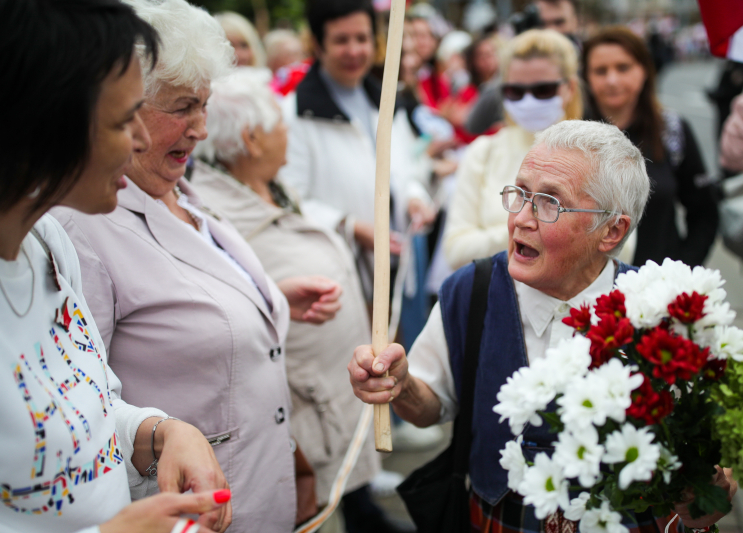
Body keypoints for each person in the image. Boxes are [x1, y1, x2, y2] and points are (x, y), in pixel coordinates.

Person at [348, 119, 737, 532]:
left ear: (612, 230)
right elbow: (432, 407)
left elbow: (710, 438)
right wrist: (401, 384)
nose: (521, 219)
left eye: (550, 202)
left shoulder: (657, 310)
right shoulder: (470, 291)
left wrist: (713, 483)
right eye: (519, 193)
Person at [51, 1, 341, 531]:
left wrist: (267, 296)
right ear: (122, 105)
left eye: (206, 106)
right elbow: (79, 405)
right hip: (187, 515)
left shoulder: (183, 190)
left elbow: (182, 301)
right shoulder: (80, 225)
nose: (202, 129)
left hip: (259, 497)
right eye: (183, 107)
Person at [0, 0, 231, 532]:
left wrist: (161, 433)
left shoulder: (47, 242)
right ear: (39, 121)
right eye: (124, 119)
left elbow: (86, 418)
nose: (143, 139)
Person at [192, 67, 383, 527]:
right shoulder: (213, 212)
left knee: (343, 495)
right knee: (310, 504)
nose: (288, 131)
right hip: (298, 401)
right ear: (251, 140)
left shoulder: (269, 185)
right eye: (280, 122)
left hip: (330, 387)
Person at [279, 0, 436, 301]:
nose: (354, 51)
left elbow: (409, 168)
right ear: (317, 44)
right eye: (341, 40)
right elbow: (290, 199)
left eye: (362, 38)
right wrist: (351, 227)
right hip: (339, 275)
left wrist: (414, 197)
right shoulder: (295, 115)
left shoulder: (387, 101)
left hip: (398, 263)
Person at [444, 29, 589, 270]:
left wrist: (502, 235)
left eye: (543, 90)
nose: (528, 101)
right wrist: (537, 230)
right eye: (515, 91)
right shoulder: (484, 152)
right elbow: (456, 251)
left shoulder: (596, 154)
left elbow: (618, 246)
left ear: (569, 88)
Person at [582, 26, 718, 267]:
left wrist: (681, 271)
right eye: (600, 71)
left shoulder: (672, 131)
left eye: (623, 68)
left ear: (644, 70)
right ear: (586, 77)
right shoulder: (570, 135)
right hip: (587, 290)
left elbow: (704, 213)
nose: (612, 80)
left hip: (656, 288)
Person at [465, 0, 581, 136]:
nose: (551, 31)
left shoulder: (595, 65)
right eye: (542, 23)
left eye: (559, 22)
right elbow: (474, 124)